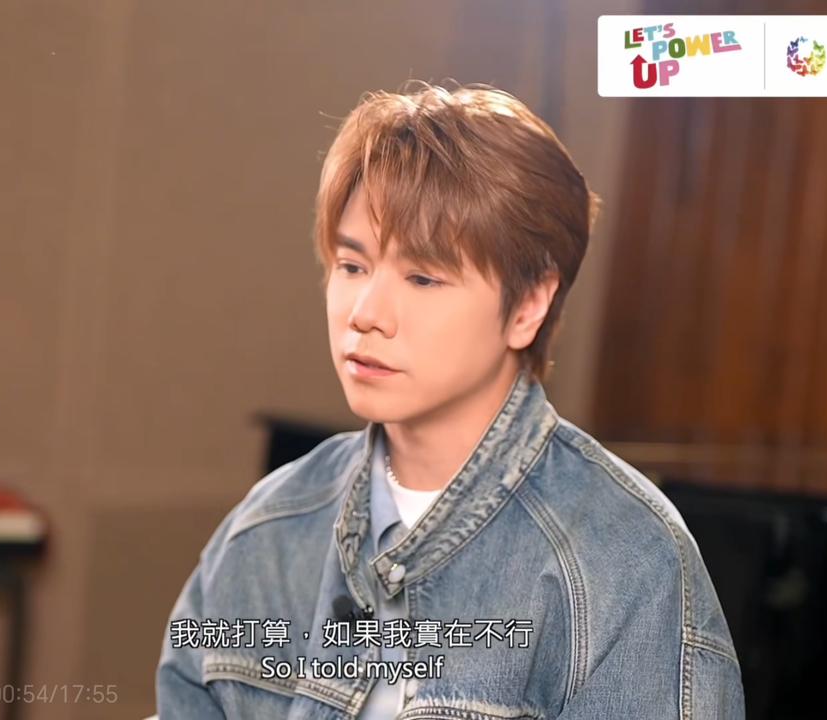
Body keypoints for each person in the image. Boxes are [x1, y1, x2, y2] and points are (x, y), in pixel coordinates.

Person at [157, 81, 744, 719]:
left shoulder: (623, 561)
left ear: (528, 305)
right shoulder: (267, 529)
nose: (366, 313)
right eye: (352, 267)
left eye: (422, 277)